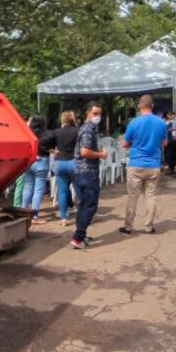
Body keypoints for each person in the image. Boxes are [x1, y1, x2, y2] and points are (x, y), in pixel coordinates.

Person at [119, 94, 167, 235]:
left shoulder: (134, 122)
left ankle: (128, 227)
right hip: (153, 165)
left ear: (140, 105)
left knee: (133, 196)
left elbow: (125, 144)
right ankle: (149, 226)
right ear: (152, 106)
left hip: (136, 164)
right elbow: (165, 143)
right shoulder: (161, 122)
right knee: (150, 196)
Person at [70, 101, 106, 249]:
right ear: (88, 114)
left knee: (83, 204)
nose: (98, 116)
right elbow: (84, 151)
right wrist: (100, 154)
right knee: (90, 205)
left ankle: (81, 235)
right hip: (87, 172)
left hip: (81, 172)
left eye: (99, 114)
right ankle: (78, 237)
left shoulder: (88, 128)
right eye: (95, 113)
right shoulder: (88, 129)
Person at [21, 115, 56, 222]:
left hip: (29, 161)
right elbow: (52, 146)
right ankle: (34, 214)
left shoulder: (27, 132)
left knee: (28, 187)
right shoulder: (48, 134)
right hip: (42, 162)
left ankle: (23, 210)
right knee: (38, 189)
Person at [52, 110, 78, 226]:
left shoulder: (56, 132)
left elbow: (44, 143)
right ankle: (84, 215)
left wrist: (53, 151)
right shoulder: (77, 131)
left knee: (62, 192)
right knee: (79, 189)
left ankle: (63, 218)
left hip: (60, 162)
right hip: (73, 162)